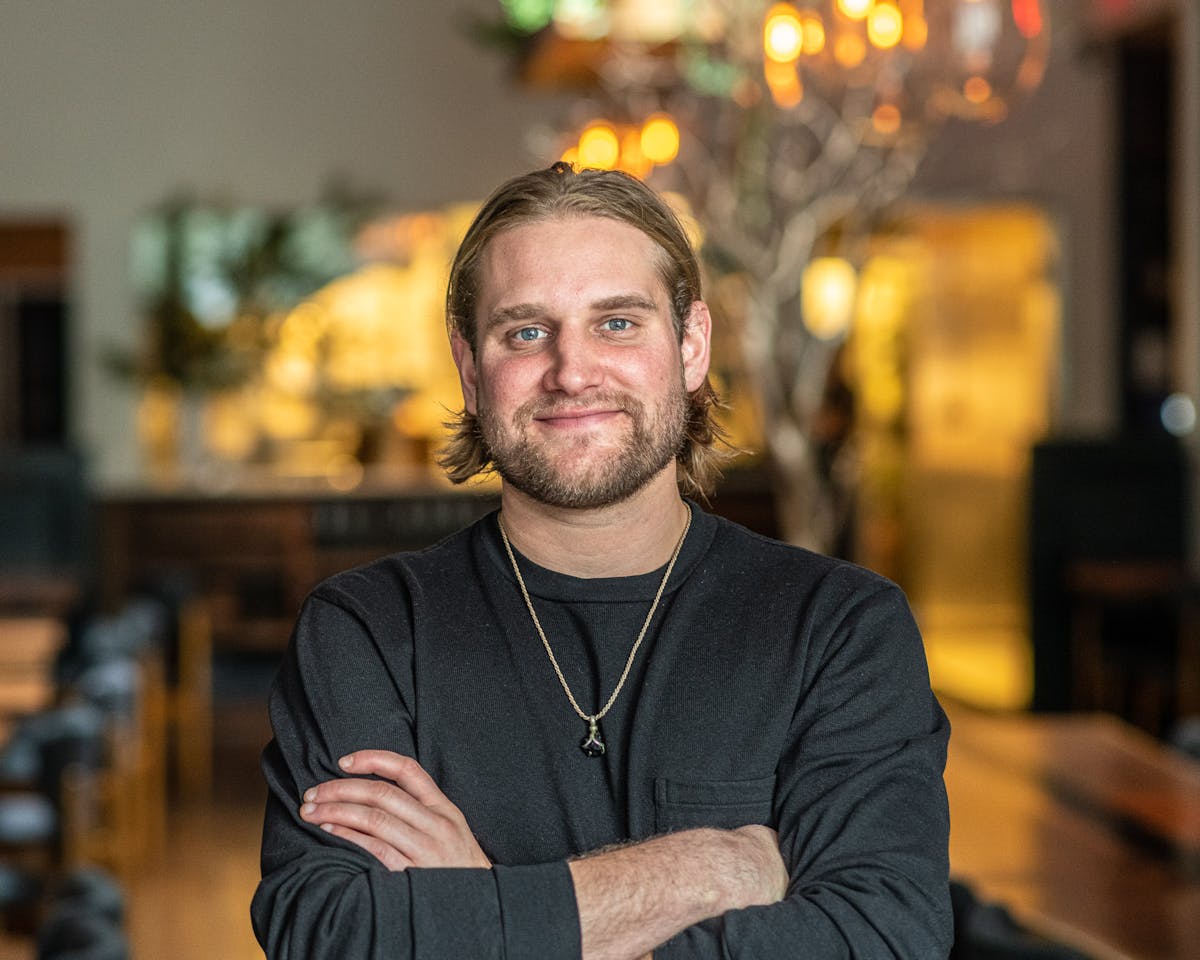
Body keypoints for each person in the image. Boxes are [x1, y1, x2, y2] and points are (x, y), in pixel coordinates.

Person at [251, 163, 952, 958]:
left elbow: (882, 937)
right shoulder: (370, 632)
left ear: (690, 346)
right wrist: (706, 870)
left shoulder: (838, 627)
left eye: (617, 323)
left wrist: (485, 902)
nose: (572, 371)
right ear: (471, 369)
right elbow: (331, 938)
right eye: (525, 331)